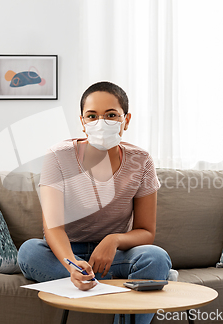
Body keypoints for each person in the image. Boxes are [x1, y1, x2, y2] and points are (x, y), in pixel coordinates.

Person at [18, 81, 172, 324]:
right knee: (29, 252)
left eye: (111, 115)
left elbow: (146, 231)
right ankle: (126, 283)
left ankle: (99, 283)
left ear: (126, 120)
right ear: (82, 122)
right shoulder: (58, 157)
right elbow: (53, 228)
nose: (101, 122)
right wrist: (72, 266)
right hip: (68, 251)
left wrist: (114, 240)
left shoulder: (141, 161)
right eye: (92, 116)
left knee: (156, 257)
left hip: (116, 254)